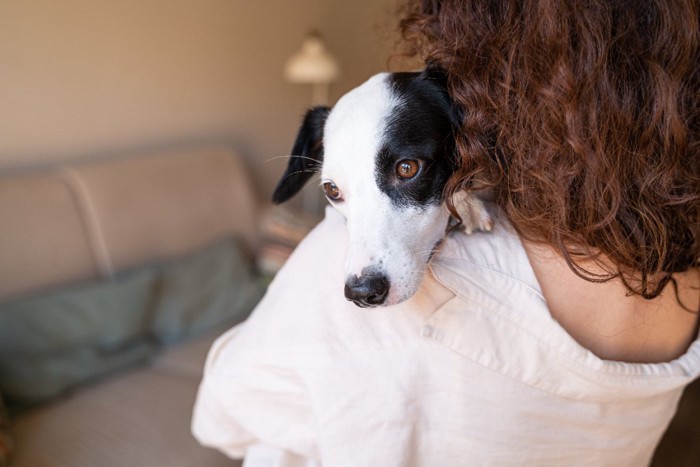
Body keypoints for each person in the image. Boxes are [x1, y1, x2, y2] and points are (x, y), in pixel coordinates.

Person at [192, 1, 699, 465]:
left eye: (407, 170)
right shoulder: (683, 270)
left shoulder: (335, 267)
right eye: (336, 193)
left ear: (476, 125)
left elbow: (221, 416)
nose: (359, 270)